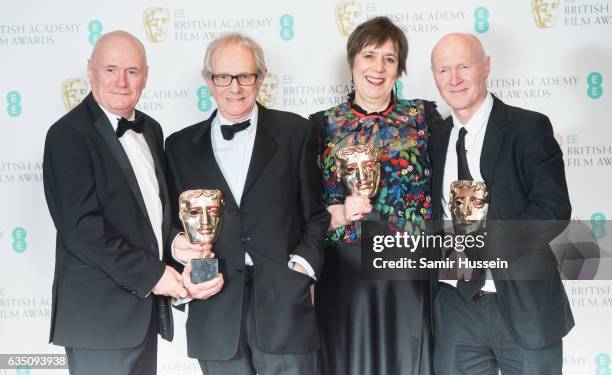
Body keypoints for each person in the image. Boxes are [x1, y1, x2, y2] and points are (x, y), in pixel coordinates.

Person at [165, 33, 329, 375]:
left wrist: (302, 272)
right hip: (214, 306)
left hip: (284, 306)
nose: (234, 87)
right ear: (208, 81)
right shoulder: (178, 147)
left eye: (245, 76)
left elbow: (315, 214)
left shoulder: (296, 131)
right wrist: (178, 252)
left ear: (262, 77)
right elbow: (170, 223)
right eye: (223, 77)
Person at [429, 33, 574, 374]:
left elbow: (552, 210)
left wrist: (479, 249)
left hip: (524, 304)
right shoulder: (435, 139)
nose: (454, 79)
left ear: (486, 66)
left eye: (464, 66)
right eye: (444, 70)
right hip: (455, 309)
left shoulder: (528, 127)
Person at [43, 31, 186, 375]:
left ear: (146, 76)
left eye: (132, 71)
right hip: (97, 320)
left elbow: (154, 216)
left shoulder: (151, 129)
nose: (122, 81)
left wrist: (179, 245)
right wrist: (154, 275)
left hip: (142, 314)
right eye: (111, 69)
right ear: (91, 71)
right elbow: (82, 230)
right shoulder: (68, 135)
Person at [310, 16, 440, 375]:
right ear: (352, 60)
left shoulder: (423, 117)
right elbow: (305, 205)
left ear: (399, 68)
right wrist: (337, 211)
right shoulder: (321, 125)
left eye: (389, 58)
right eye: (369, 56)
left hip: (408, 268)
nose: (378, 68)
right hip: (343, 271)